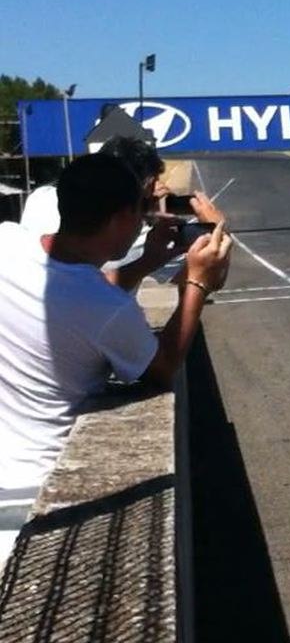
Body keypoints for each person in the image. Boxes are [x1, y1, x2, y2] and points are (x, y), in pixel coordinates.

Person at [0, 152, 231, 497]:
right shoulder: (109, 309)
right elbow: (163, 367)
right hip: (47, 476)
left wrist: (148, 261)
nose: (144, 221)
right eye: (142, 210)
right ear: (123, 216)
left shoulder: (8, 241)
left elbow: (73, 289)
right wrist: (197, 282)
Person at [18, 136, 223, 291]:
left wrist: (142, 207)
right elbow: (203, 276)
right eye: (152, 184)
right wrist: (218, 232)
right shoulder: (137, 233)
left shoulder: (40, 197)